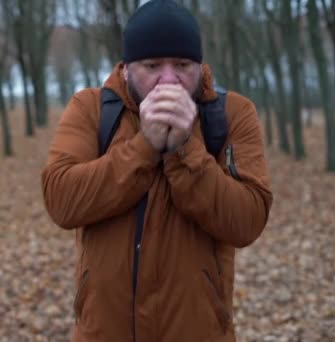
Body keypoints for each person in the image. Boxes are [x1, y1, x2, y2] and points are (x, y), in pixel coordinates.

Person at [41, 0, 273, 341]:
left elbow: (248, 220)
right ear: (126, 69)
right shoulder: (90, 109)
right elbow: (61, 200)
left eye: (182, 65)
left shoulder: (231, 114)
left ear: (200, 64)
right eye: (152, 66)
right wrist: (144, 147)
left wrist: (186, 149)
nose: (169, 80)